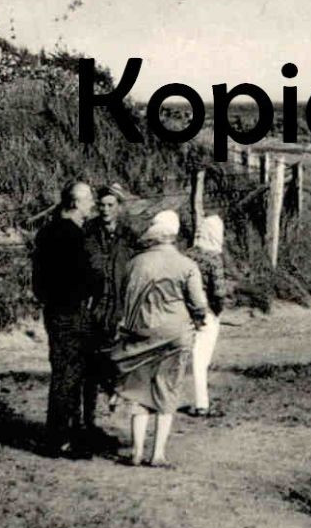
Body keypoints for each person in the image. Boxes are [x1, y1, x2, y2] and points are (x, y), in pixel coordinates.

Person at [104, 211, 209, 467]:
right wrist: (198, 319)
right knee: (167, 390)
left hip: (141, 331)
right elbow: (198, 304)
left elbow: (124, 298)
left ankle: (137, 451)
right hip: (175, 334)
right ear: (173, 236)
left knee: (139, 391)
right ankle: (158, 454)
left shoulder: (135, 263)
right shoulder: (186, 265)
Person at [31, 180, 103, 458]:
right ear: (75, 203)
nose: (92, 205)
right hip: (71, 312)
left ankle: (60, 436)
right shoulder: (74, 235)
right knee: (69, 375)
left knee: (63, 373)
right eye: (88, 201)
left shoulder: (46, 232)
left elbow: (38, 280)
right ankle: (60, 439)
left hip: (54, 310)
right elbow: (87, 277)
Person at [83, 182, 135, 432]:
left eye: (110, 205)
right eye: (101, 205)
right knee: (88, 366)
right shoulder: (88, 232)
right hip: (93, 307)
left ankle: (116, 399)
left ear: (120, 207)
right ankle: (88, 421)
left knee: (118, 360)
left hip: (120, 308)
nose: (104, 210)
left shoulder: (129, 235)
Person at [188, 214, 230, 417]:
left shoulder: (187, 255)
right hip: (207, 311)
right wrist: (217, 311)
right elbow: (219, 292)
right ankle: (201, 402)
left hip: (185, 311)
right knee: (201, 359)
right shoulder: (214, 259)